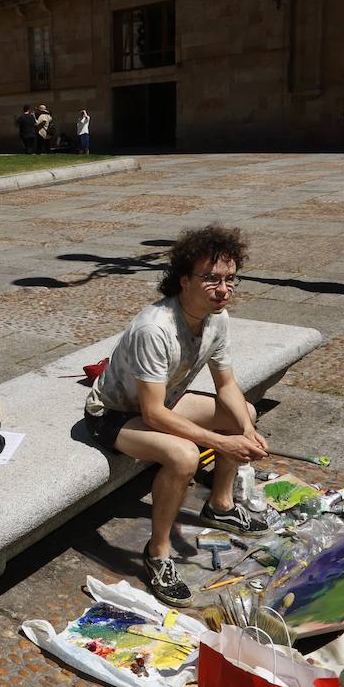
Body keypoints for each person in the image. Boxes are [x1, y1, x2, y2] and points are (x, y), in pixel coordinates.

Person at [84, 225, 268, 608]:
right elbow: (151, 415)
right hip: (113, 415)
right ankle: (159, 552)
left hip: (162, 402)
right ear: (184, 280)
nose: (223, 290)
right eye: (211, 279)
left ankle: (220, 506)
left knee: (243, 411)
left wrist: (247, 431)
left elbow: (227, 386)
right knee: (185, 455)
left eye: (230, 279)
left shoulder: (218, 317)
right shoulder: (156, 328)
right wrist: (220, 442)